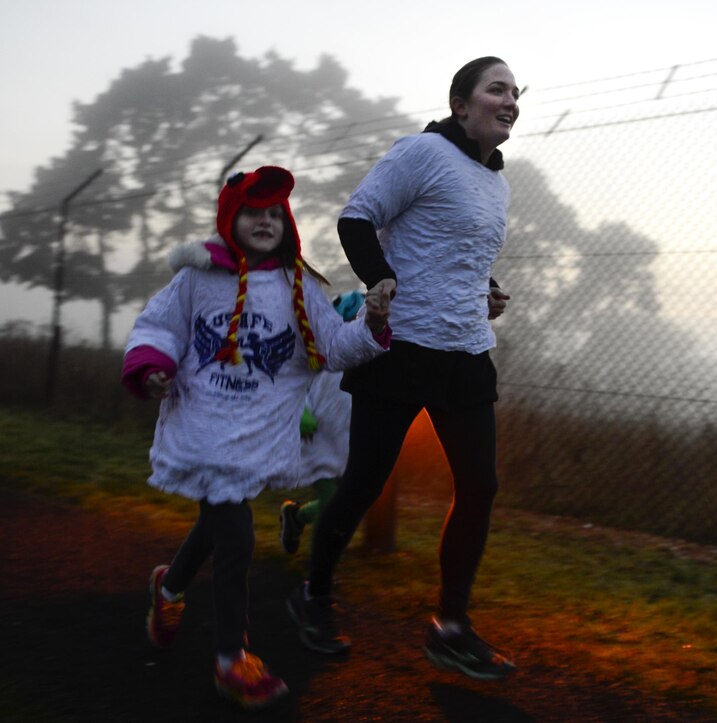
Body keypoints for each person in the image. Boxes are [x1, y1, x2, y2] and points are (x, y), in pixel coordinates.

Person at [121, 166, 391, 709]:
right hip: (202, 424)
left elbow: (335, 349)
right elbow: (157, 327)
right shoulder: (196, 279)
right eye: (253, 212)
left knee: (219, 518)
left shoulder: (298, 286)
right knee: (237, 535)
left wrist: (372, 322)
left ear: (286, 222)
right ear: (230, 220)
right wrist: (152, 366)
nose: (265, 221)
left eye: (274, 214)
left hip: (256, 432)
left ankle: (168, 588)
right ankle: (230, 659)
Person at [287, 56, 518, 681]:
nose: (511, 100)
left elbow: (456, 251)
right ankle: (313, 596)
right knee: (363, 483)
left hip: (466, 351)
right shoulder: (419, 152)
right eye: (497, 88)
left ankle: (451, 626)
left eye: (516, 93)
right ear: (461, 102)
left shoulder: (496, 179)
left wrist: (487, 289)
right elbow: (356, 219)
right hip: (403, 348)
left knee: (480, 488)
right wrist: (379, 281)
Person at [279, 291, 362, 555]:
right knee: (330, 502)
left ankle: (296, 517)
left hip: (351, 440)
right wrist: (300, 413)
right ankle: (319, 570)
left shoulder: (371, 354)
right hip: (317, 437)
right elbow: (293, 381)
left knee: (349, 500)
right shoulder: (319, 351)